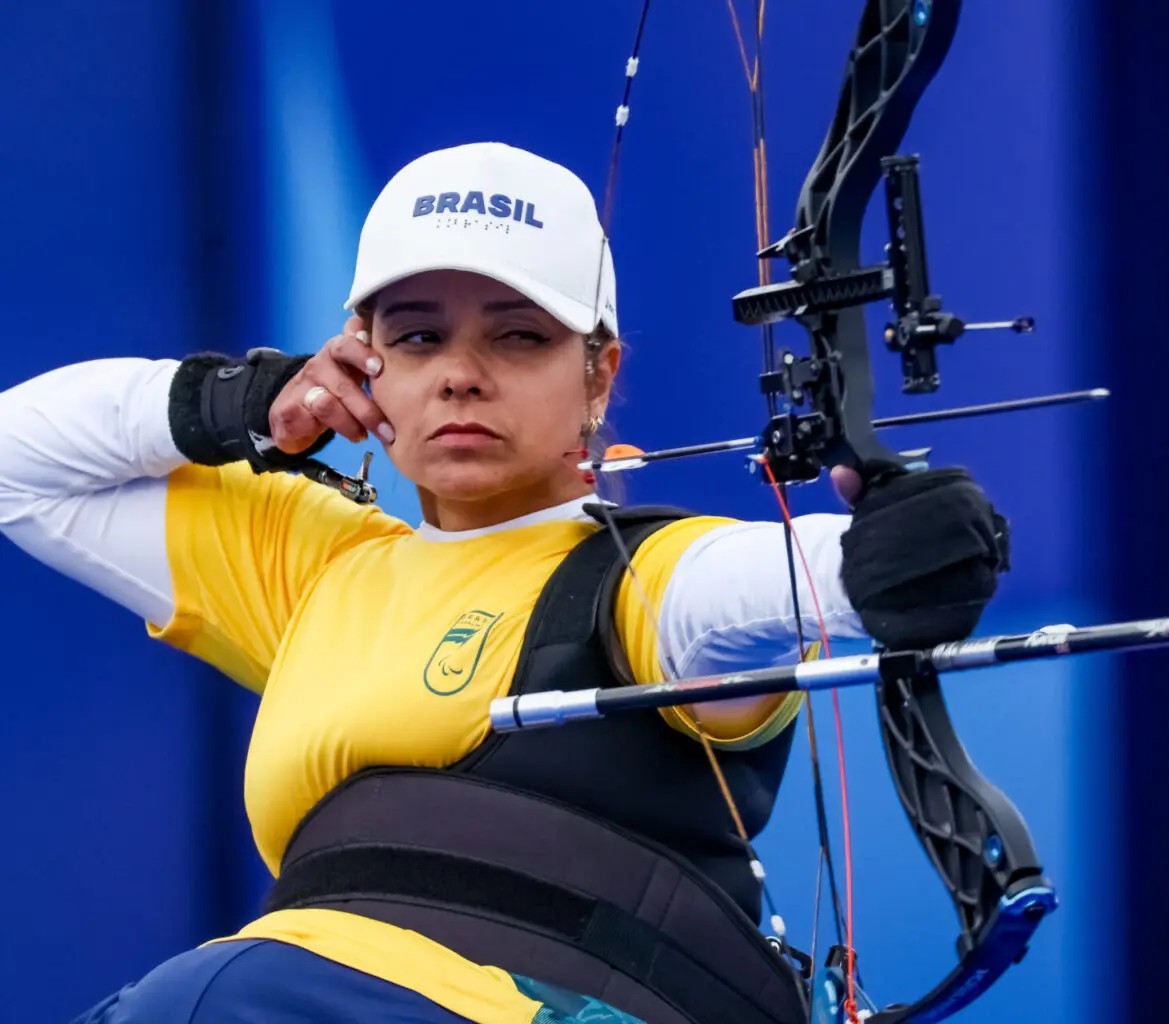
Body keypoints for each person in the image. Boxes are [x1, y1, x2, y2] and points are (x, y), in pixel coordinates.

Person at [0, 142, 1009, 1024]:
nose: (461, 373)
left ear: (599, 373)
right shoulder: (313, 563)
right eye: (417, 336)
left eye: (519, 336)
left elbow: (746, 589)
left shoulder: (635, 571)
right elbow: (15, 464)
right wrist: (247, 399)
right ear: (361, 361)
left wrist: (874, 558)